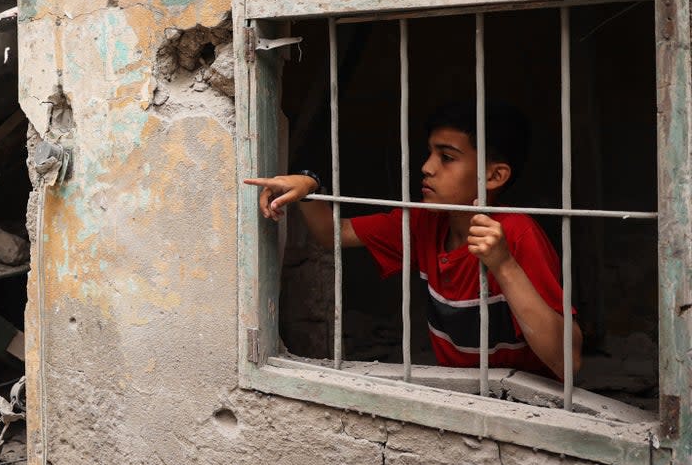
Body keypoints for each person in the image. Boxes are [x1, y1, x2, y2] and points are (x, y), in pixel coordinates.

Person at [243, 102, 581, 379]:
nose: (426, 167)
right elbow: (335, 233)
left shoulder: (518, 233)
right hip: (461, 394)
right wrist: (307, 186)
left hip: (527, 401)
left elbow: (567, 361)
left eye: (446, 157)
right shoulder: (426, 220)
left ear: (495, 176)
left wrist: (504, 265)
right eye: (430, 153)